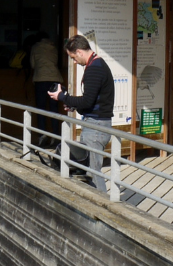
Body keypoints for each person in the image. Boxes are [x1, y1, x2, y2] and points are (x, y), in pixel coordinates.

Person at [48, 35, 115, 191]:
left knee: (93, 172)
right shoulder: (98, 64)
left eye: (73, 57)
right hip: (96, 124)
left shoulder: (94, 69)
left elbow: (87, 101)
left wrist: (62, 97)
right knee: (90, 171)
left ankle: (103, 208)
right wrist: (73, 106)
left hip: (96, 127)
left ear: (79, 51)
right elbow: (93, 101)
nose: (74, 62)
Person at [28, 32, 62, 145]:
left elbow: (32, 64)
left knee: (41, 108)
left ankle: (42, 135)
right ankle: (56, 135)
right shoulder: (54, 48)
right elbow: (56, 62)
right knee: (54, 108)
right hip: (55, 78)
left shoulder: (35, 47)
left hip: (40, 79)